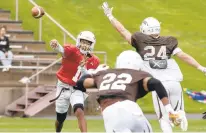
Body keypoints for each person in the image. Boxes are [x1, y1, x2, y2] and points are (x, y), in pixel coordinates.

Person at [101, 2, 206, 132]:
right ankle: (180, 114)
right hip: (175, 84)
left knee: (164, 118)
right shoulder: (168, 42)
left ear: (145, 29)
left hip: (159, 85)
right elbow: (184, 56)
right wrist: (201, 67)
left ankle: (175, 117)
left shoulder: (141, 41)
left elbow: (123, 31)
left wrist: (110, 16)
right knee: (175, 113)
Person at [74, 50, 184, 133]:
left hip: (111, 113)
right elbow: (155, 83)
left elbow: (80, 83)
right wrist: (169, 109)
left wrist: (93, 72)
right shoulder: (137, 74)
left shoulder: (103, 74)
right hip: (133, 110)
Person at [49, 31, 100, 133]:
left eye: (88, 42)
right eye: (83, 41)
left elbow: (89, 76)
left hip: (77, 88)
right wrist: (56, 45)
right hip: (63, 86)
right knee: (60, 118)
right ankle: (57, 131)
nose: (84, 45)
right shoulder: (72, 50)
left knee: (80, 112)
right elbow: (62, 50)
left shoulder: (94, 61)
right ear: (78, 41)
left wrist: (83, 67)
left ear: (92, 44)